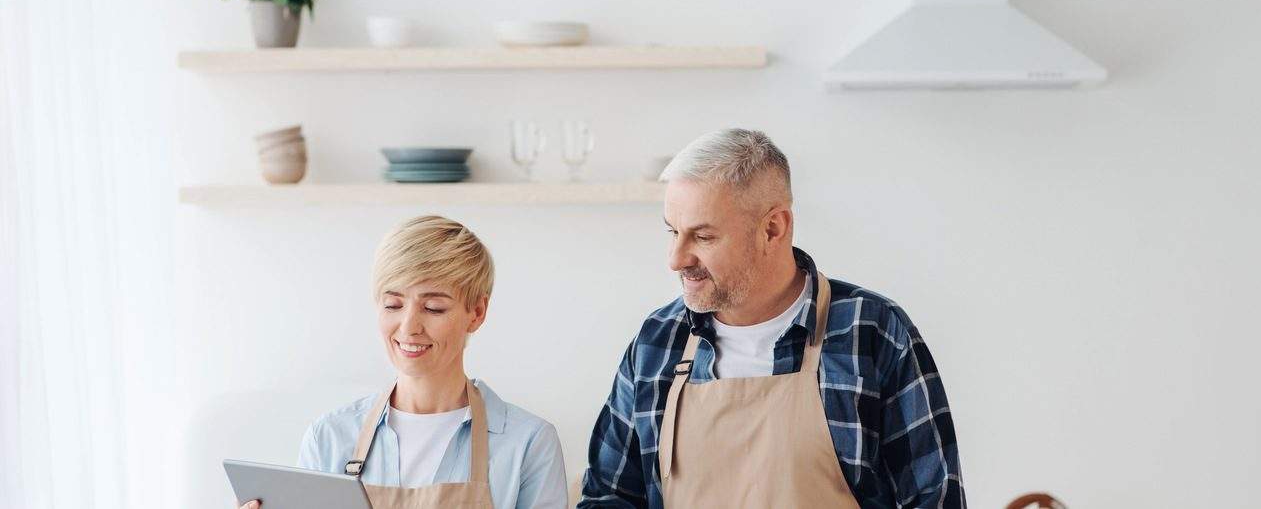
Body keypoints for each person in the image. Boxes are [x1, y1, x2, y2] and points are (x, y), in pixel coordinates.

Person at [579, 129, 965, 508]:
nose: (676, 259)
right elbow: (609, 498)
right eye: (673, 231)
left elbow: (935, 501)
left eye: (703, 237)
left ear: (772, 228)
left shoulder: (873, 331)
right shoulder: (659, 341)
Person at [240, 215, 567, 509]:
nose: (409, 326)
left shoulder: (528, 443)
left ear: (476, 312)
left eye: (434, 308)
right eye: (393, 304)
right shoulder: (330, 437)